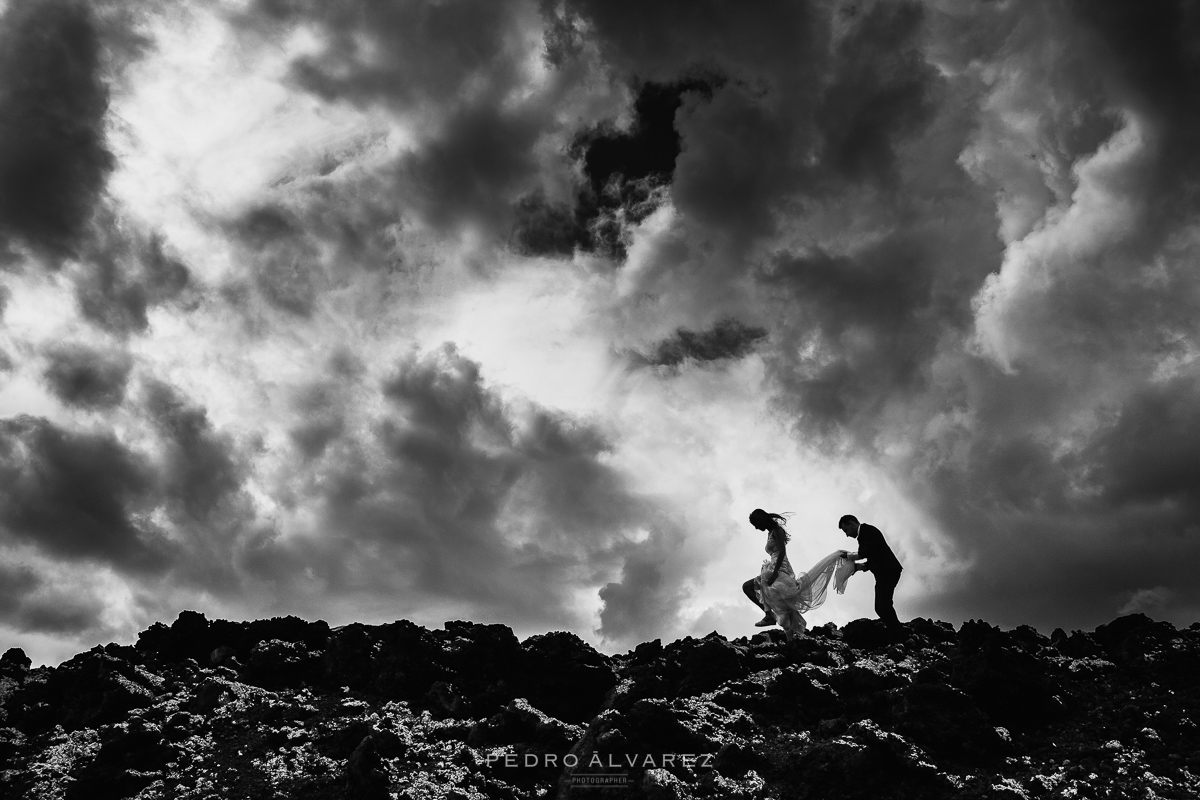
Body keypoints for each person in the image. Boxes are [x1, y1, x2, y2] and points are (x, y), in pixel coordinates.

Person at [743, 509, 847, 641]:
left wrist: (774, 574)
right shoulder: (770, 532)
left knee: (783, 605)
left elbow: (781, 552)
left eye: (756, 524)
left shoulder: (777, 531)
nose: (757, 528)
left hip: (780, 569)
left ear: (760, 520)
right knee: (774, 601)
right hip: (774, 567)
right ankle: (774, 619)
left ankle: (781, 627)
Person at [838, 514, 904, 634]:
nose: (847, 534)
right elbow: (875, 555)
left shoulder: (867, 530)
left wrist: (849, 556)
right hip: (883, 572)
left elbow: (867, 550)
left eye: (846, 530)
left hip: (888, 571)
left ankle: (899, 635)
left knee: (884, 605)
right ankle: (897, 632)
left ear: (851, 524)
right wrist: (859, 567)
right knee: (880, 607)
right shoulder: (864, 534)